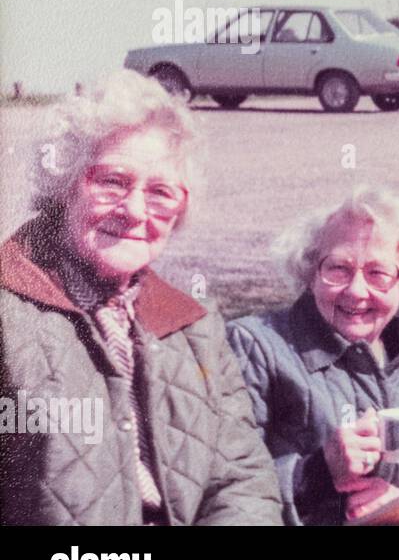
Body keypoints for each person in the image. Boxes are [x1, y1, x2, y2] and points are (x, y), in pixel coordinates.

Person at [0, 70, 283, 525]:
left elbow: (241, 478)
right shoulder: (8, 313)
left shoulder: (193, 323)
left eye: (159, 193)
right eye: (112, 181)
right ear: (66, 184)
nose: (134, 211)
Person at [226, 185, 399, 526]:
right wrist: (318, 472)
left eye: (378, 274)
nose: (357, 290)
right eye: (338, 269)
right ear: (310, 272)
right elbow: (225, 488)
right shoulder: (257, 345)